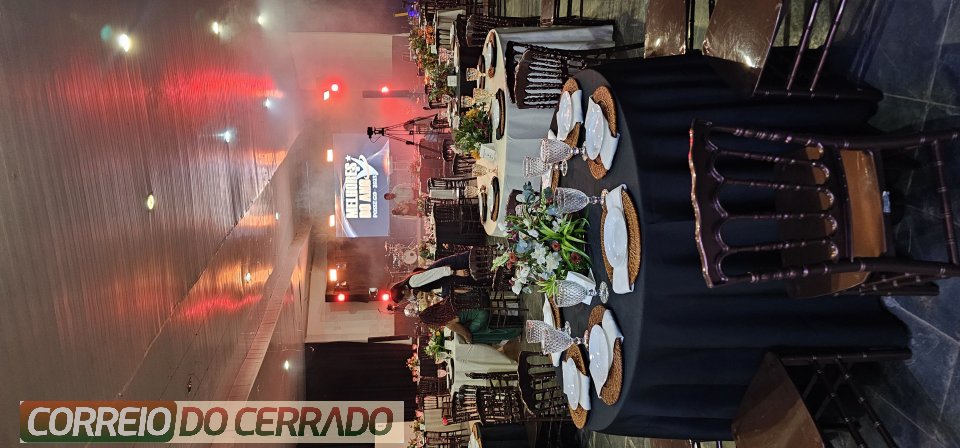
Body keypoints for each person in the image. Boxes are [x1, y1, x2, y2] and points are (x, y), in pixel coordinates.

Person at [388, 298, 522, 360]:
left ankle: (511, 332)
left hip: (482, 313)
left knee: (474, 336)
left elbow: (466, 334)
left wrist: (468, 342)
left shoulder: (447, 323)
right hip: (480, 301)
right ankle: (509, 328)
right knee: (473, 329)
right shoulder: (445, 304)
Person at [390, 251, 483, 301]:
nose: (405, 299)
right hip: (445, 273)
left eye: (403, 298)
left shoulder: (413, 283)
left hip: (447, 270)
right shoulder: (411, 284)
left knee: (475, 266)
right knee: (476, 268)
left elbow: (433, 274)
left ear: (402, 292)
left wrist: (455, 272)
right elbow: (412, 298)